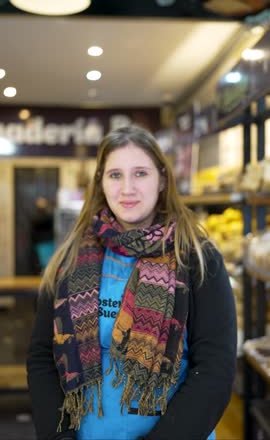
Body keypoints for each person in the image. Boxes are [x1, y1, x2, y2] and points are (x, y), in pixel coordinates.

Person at [27, 124, 237, 440]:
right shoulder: (69, 260)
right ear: (100, 183)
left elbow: (214, 370)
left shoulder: (197, 258)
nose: (127, 188)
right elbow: (42, 357)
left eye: (140, 173)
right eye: (115, 175)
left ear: (162, 180)